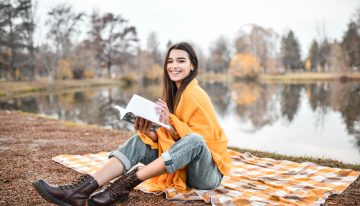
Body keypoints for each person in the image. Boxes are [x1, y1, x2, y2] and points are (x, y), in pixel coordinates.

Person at [32, 42, 232, 206]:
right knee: (139, 141)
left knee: (195, 140)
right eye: (170, 61)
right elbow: (174, 141)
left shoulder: (196, 94)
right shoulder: (171, 95)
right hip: (182, 167)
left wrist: (170, 119)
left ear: (192, 66)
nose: (174, 66)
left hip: (207, 174)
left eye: (181, 61)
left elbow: (201, 144)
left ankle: (122, 186)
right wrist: (152, 133)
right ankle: (81, 190)